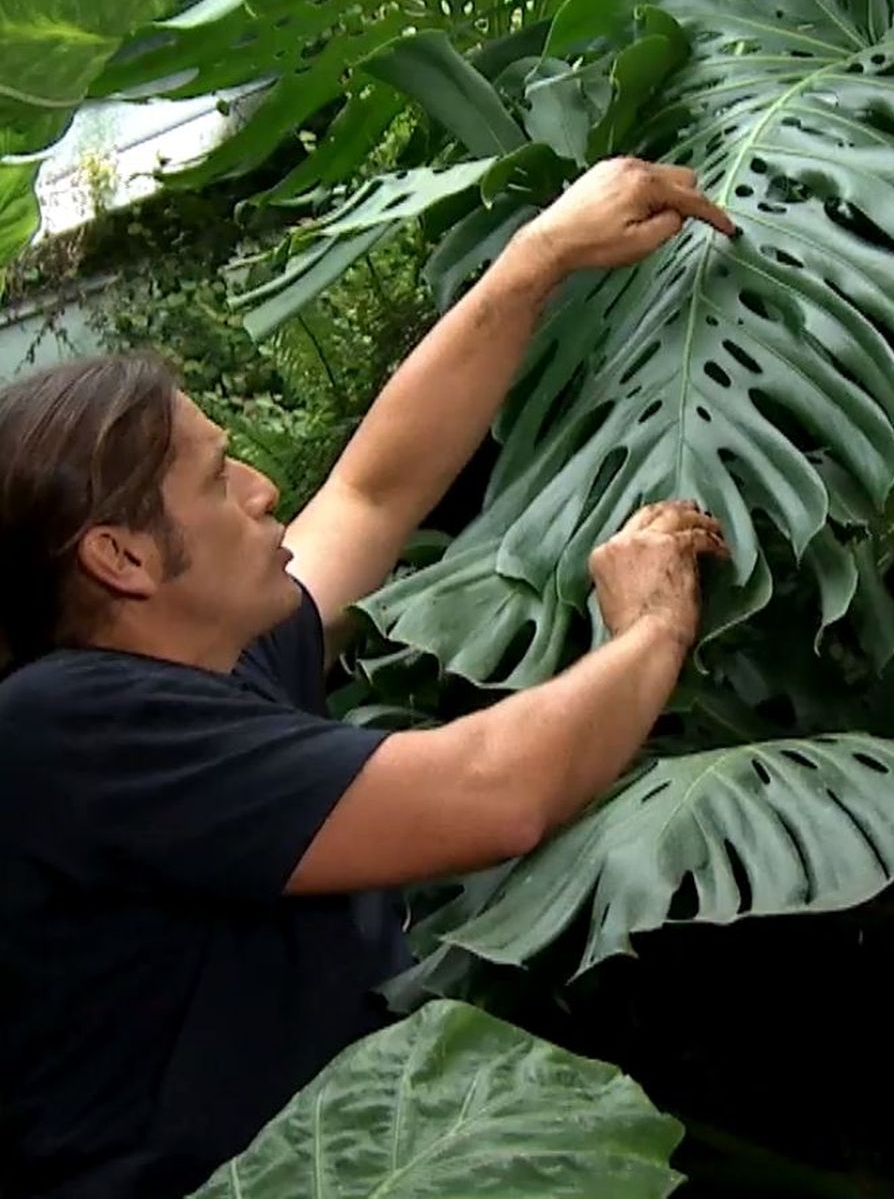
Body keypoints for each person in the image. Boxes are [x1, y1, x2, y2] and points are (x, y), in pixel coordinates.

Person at [0, 156, 734, 1199]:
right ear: (121, 557)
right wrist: (652, 626)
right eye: (218, 477)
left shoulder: (203, 666)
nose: (263, 490)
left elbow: (373, 491)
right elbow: (494, 791)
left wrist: (542, 257)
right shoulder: (62, 727)